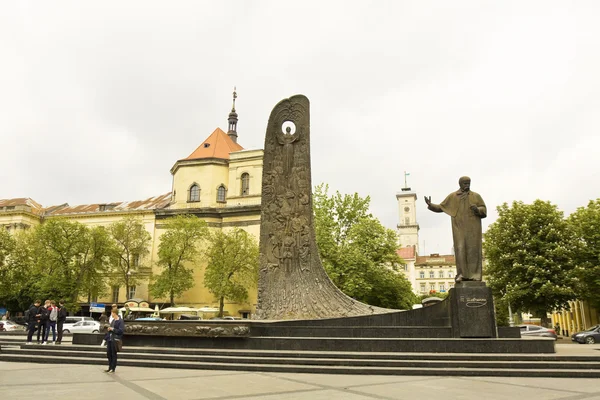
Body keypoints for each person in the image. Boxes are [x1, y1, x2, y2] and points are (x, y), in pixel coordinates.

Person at [425, 176, 487, 282]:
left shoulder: (476, 196)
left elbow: (484, 210)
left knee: (473, 251)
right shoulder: (453, 196)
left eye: (468, 183)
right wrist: (430, 205)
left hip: (473, 228)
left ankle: (475, 275)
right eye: (465, 183)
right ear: (460, 184)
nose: (467, 185)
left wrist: (477, 209)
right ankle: (462, 274)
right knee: (460, 249)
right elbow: (441, 207)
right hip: (459, 228)